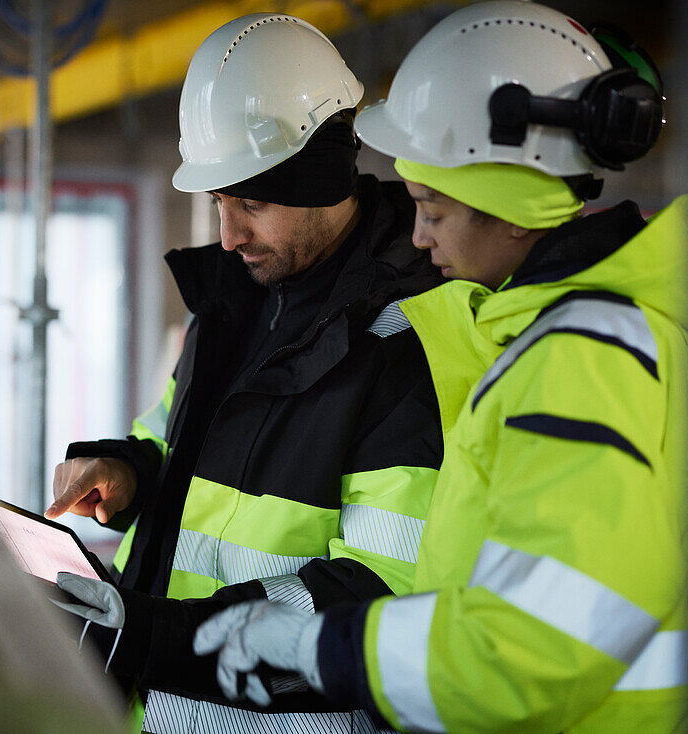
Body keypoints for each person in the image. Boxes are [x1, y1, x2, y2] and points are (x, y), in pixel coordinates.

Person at [194, 2, 688, 732]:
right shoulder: (574, 334)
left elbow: (529, 649)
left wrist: (322, 645)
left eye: (431, 205)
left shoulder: (582, 362)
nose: (418, 234)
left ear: (514, 209)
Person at [45, 12, 444, 733]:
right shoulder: (230, 306)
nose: (228, 236)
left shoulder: (403, 341)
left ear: (323, 175)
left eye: (251, 203)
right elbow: (172, 443)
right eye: (220, 202)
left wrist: (150, 633)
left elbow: (376, 589)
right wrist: (127, 469)